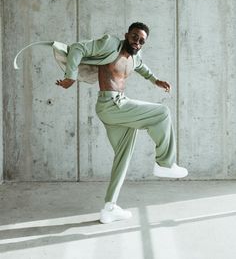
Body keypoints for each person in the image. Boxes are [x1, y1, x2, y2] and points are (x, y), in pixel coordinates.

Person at [56, 22, 188, 224]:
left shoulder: (135, 56)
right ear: (127, 35)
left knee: (123, 157)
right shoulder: (110, 44)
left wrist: (156, 81)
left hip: (118, 105)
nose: (137, 42)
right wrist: (70, 76)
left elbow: (142, 68)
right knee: (162, 112)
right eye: (135, 37)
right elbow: (78, 48)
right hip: (110, 104)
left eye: (142, 41)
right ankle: (165, 163)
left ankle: (109, 208)